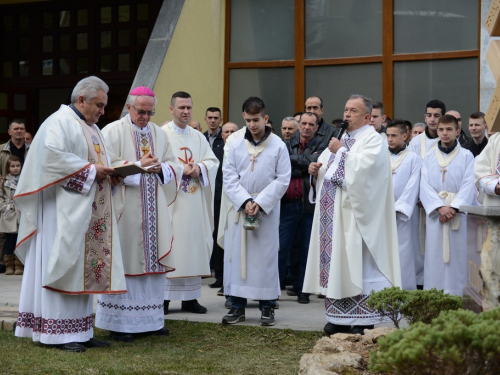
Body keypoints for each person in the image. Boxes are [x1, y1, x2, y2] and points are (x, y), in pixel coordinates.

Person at [14, 76, 127, 352]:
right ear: (81, 100)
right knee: (63, 264)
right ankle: (57, 334)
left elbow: (103, 161)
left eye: (103, 105)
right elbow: (50, 158)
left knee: (82, 269)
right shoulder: (59, 122)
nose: (102, 111)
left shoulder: (92, 128)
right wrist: (92, 172)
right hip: (59, 212)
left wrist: (113, 173)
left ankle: (82, 330)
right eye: (99, 105)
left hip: (86, 211)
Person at [304, 94, 401, 336]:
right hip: (335, 217)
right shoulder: (342, 138)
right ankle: (338, 317)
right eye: (346, 109)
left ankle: (363, 318)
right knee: (338, 263)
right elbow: (330, 169)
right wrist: (316, 170)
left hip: (358, 217)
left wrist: (341, 153)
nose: (347, 114)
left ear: (367, 117)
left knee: (358, 263)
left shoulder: (373, 140)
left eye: (353, 111)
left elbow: (365, 174)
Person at [95, 87, 182, 342]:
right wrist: (138, 167)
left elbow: (172, 164)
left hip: (153, 209)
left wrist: (161, 168)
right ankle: (121, 325)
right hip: (126, 209)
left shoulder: (158, 133)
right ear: (129, 108)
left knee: (153, 264)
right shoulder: (112, 131)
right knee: (127, 263)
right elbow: (106, 167)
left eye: (150, 112)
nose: (145, 116)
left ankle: (151, 321)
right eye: (141, 111)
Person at [221, 97, 290, 326]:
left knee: (265, 259)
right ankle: (237, 306)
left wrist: (260, 202)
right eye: (248, 120)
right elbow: (229, 175)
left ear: (266, 118)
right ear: (244, 117)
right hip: (241, 208)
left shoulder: (278, 144)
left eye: (256, 120)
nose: (252, 125)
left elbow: (283, 179)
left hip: (265, 211)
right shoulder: (235, 141)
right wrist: (244, 200)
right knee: (238, 257)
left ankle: (267, 307)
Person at [162, 91, 219, 314]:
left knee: (193, 246)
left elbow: (212, 161)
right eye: (181, 108)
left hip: (194, 202)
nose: (186, 112)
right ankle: (164, 299)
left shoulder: (198, 137)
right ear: (171, 109)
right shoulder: (162, 135)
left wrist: (200, 168)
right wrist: (180, 169)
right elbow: (157, 164)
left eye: (189, 108)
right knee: (172, 246)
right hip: (172, 203)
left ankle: (190, 299)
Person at [420, 115, 475, 296]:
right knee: (435, 255)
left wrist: (454, 207)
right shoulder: (428, 157)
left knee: (458, 255)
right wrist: (439, 207)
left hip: (457, 214)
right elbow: (424, 185)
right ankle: (434, 294)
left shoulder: (467, 156)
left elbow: (469, 184)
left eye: (449, 129)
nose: (444, 133)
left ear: (457, 131)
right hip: (437, 213)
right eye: (441, 129)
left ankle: (458, 294)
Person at [279, 112, 326, 304]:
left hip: (309, 207)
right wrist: (307, 164)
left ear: (316, 128)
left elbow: (319, 165)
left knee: (307, 249)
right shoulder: (285, 144)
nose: (306, 127)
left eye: (311, 124)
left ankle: (302, 291)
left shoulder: (322, 146)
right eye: (303, 123)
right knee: (281, 249)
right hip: (286, 205)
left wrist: (294, 162)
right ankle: (275, 289)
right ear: (298, 125)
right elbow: (282, 166)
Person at [408, 99, 446, 288]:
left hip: (440, 201)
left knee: (437, 241)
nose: (432, 120)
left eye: (436, 116)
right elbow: (413, 170)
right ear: (424, 117)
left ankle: (436, 280)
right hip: (418, 201)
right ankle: (419, 281)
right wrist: (420, 195)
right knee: (417, 241)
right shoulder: (416, 141)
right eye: (429, 115)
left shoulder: (446, 139)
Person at [386, 120, 422, 290]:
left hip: (403, 213)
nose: (390, 139)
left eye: (394, 135)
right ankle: (383, 290)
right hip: (382, 212)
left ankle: (404, 290)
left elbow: (413, 185)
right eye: (388, 135)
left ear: (405, 136)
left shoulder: (414, 158)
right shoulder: (381, 156)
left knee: (404, 251)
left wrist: (399, 208)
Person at [0, 120, 29, 273]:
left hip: (25, 198)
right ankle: (6, 264)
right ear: (9, 131)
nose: (19, 131)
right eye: (16, 129)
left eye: (22, 129)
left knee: (24, 232)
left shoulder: (31, 150)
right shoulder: (1, 151)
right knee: (6, 235)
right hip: (7, 195)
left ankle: (21, 263)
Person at [202, 107, 225, 291]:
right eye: (209, 118)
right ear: (205, 119)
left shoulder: (224, 140)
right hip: (202, 192)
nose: (212, 121)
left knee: (218, 234)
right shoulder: (200, 138)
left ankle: (220, 274)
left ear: (221, 120)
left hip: (219, 195)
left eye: (216, 118)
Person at [0, 156, 23, 275]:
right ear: (8, 167)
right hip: (9, 213)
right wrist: (5, 208)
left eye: (18, 166)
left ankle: (19, 264)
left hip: (21, 212)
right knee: (9, 239)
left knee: (20, 239)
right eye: (12, 166)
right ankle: (9, 265)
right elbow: (0, 197)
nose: (15, 168)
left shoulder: (25, 180)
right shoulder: (3, 181)